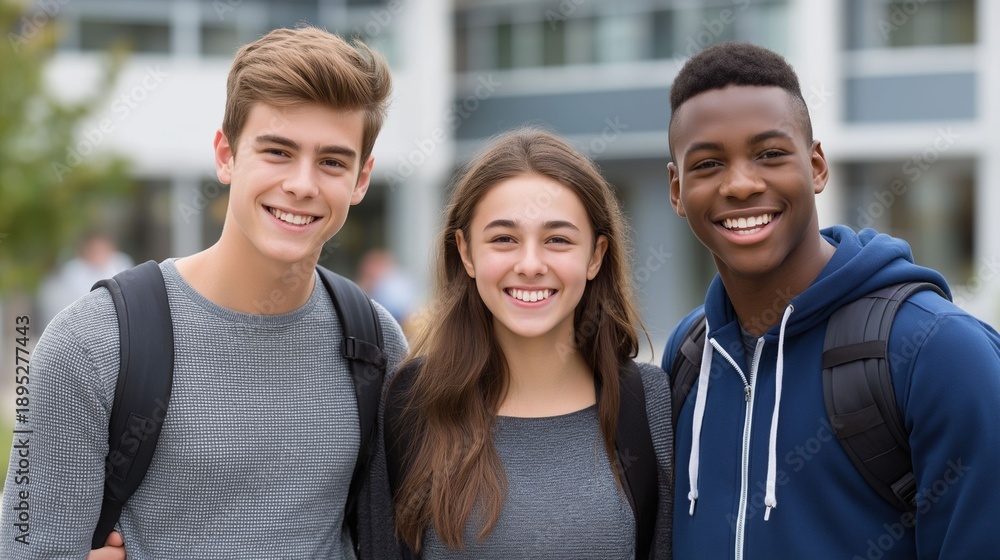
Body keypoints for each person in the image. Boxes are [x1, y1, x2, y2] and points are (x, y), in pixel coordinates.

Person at [1, 26, 406, 559]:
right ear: (226, 154)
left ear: (360, 180)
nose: (303, 184)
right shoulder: (93, 342)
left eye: (332, 161)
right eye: (278, 151)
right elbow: (28, 547)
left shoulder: (375, 343)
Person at [661, 41, 1000, 558]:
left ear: (817, 166)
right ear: (676, 190)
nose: (742, 184)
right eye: (707, 164)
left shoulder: (940, 350)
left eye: (770, 154)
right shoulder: (688, 355)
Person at [377, 127, 673, 559]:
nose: (530, 264)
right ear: (465, 252)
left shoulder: (648, 402)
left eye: (557, 239)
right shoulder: (410, 403)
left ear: (595, 255)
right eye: (503, 239)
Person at [37, 230, 134, 328]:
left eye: (102, 249)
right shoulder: (74, 270)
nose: (98, 255)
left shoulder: (121, 264)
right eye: (94, 250)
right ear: (84, 251)